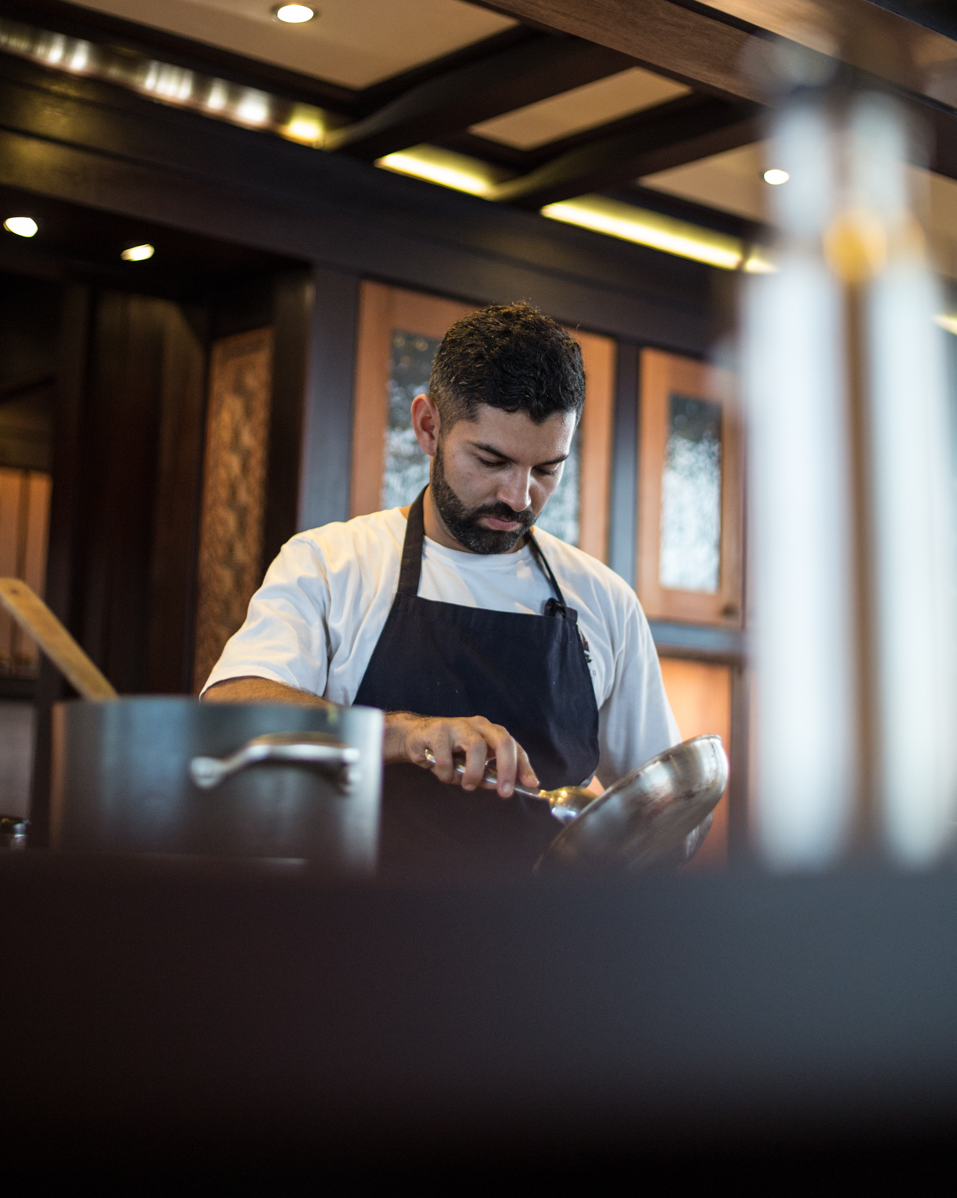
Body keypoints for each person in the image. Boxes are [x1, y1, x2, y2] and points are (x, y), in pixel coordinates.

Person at [203, 302, 681, 873]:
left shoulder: (603, 600)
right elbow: (229, 714)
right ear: (429, 427)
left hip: (546, 947)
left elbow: (664, 813)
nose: (519, 496)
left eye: (547, 469)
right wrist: (405, 733)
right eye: (491, 459)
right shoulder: (334, 563)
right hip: (361, 940)